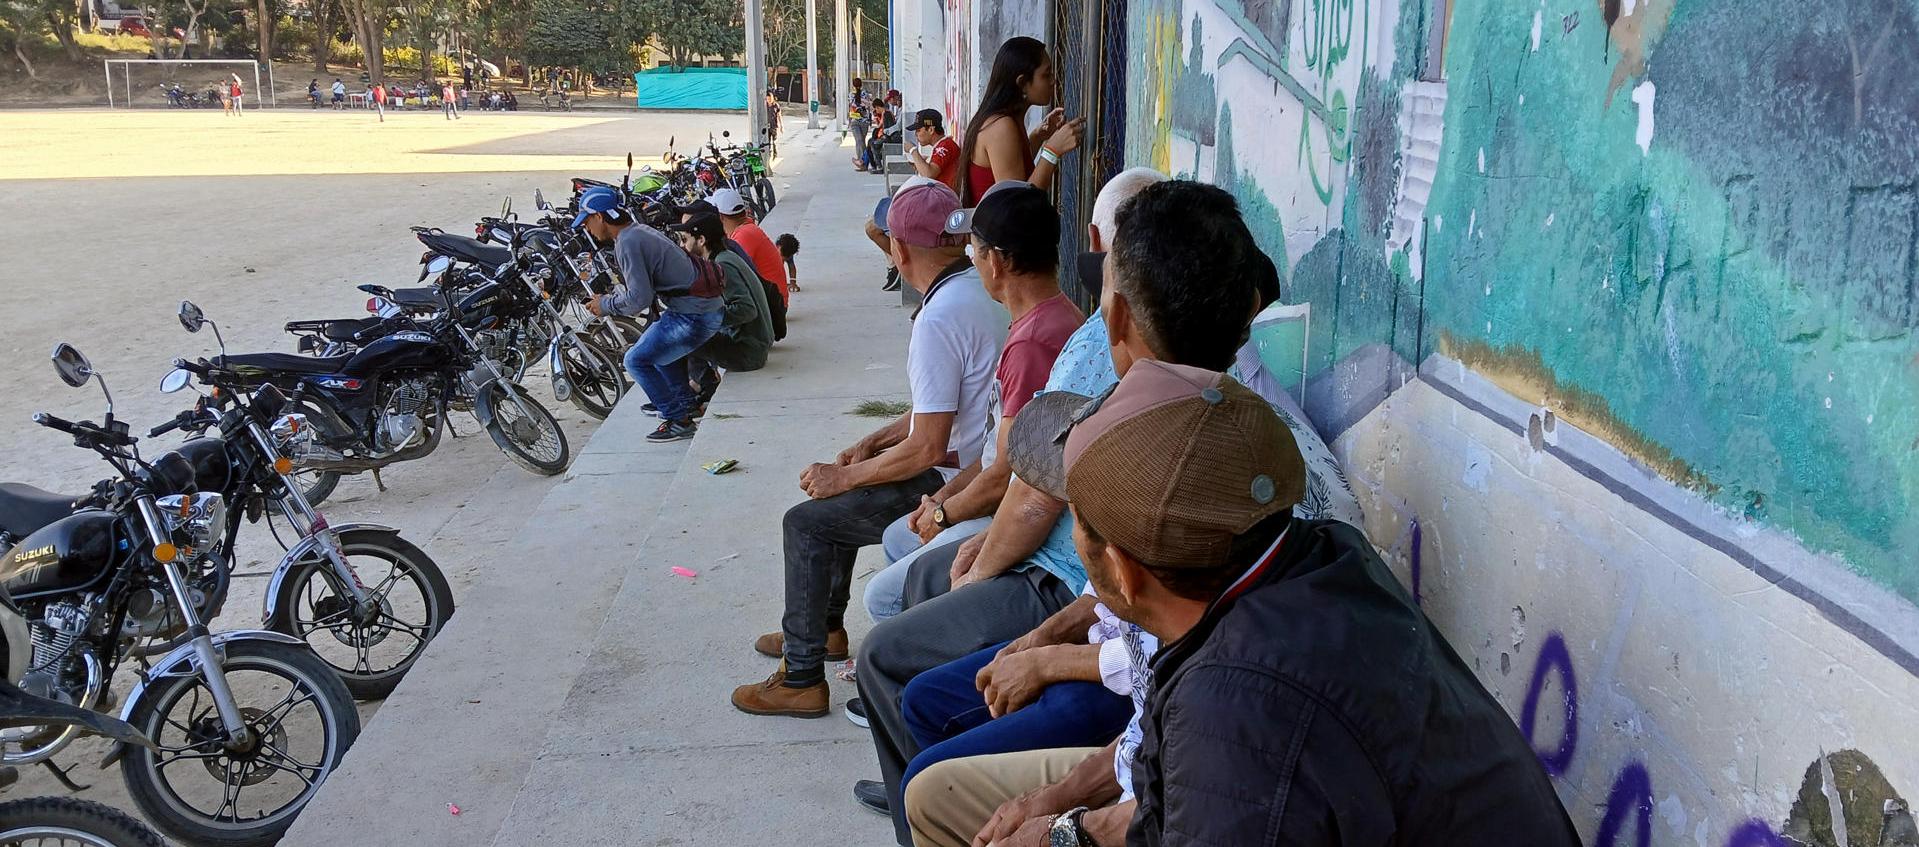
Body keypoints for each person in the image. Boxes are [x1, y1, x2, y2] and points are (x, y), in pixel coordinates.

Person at [922, 361, 1584, 847]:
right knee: (936, 797)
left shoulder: (1236, 707)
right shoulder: (1312, 556)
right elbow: (1178, 780)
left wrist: (1063, 837)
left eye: (1080, 521)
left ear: (1119, 568)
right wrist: (1072, 824)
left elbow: (1225, 773)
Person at [854, 179, 1296, 841]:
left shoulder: (1199, 454)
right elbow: (1148, 677)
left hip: (1150, 738)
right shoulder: (1192, 426)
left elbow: (1175, 712)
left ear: (1117, 317)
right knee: (922, 684)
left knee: (923, 722)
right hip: (1137, 711)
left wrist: (1066, 824)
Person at [729, 182, 1009, 719]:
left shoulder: (939, 318)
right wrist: (872, 441)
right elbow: (941, 408)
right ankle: (824, 628)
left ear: (899, 250)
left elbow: (927, 446)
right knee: (836, 504)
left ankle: (803, 675)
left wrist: (847, 478)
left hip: (952, 479)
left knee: (806, 522)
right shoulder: (977, 291)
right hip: (970, 462)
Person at [861, 180, 1083, 630]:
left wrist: (943, 514)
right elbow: (993, 452)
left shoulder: (1034, 342)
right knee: (900, 539)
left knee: (881, 597)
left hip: (1017, 517)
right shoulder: (1045, 318)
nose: (972, 262)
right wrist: (941, 500)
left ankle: (904, 664)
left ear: (997, 262)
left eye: (976, 252)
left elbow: (1005, 474)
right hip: (996, 494)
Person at [576, 186, 725, 442]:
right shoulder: (638, 231)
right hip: (704, 308)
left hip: (695, 316)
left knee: (635, 360)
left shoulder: (628, 242)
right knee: (656, 350)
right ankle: (685, 404)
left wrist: (605, 305)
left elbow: (638, 299)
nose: (587, 229)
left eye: (587, 221)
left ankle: (678, 419)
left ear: (600, 217)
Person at [961, 37, 1085, 204]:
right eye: (1046, 75)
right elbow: (1018, 206)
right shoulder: (1001, 127)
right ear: (1023, 83)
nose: (1053, 81)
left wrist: (1037, 137)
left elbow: (1014, 171)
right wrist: (1052, 151)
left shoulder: (1004, 120)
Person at [674, 208, 774, 374]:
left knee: (674, 338)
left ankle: (688, 394)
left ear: (701, 240)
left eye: (685, 240)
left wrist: (705, 318)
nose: (682, 246)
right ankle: (698, 384)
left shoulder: (722, 266)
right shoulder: (724, 257)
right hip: (751, 344)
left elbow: (746, 310)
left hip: (748, 352)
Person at [705, 188, 790, 340]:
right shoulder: (747, 229)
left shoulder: (743, 236)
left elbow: (731, 275)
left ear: (720, 217)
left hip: (772, 312)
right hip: (775, 305)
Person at [905, 109, 963, 192]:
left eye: (918, 130)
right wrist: (921, 162)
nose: (915, 134)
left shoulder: (945, 146)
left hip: (944, 200)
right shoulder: (943, 144)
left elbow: (928, 174)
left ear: (931, 130)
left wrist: (913, 150)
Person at [849, 77, 873, 172]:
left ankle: (863, 162)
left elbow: (853, 106)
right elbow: (867, 105)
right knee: (860, 141)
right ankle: (862, 161)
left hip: (861, 121)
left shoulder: (860, 94)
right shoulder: (859, 95)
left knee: (861, 141)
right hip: (859, 121)